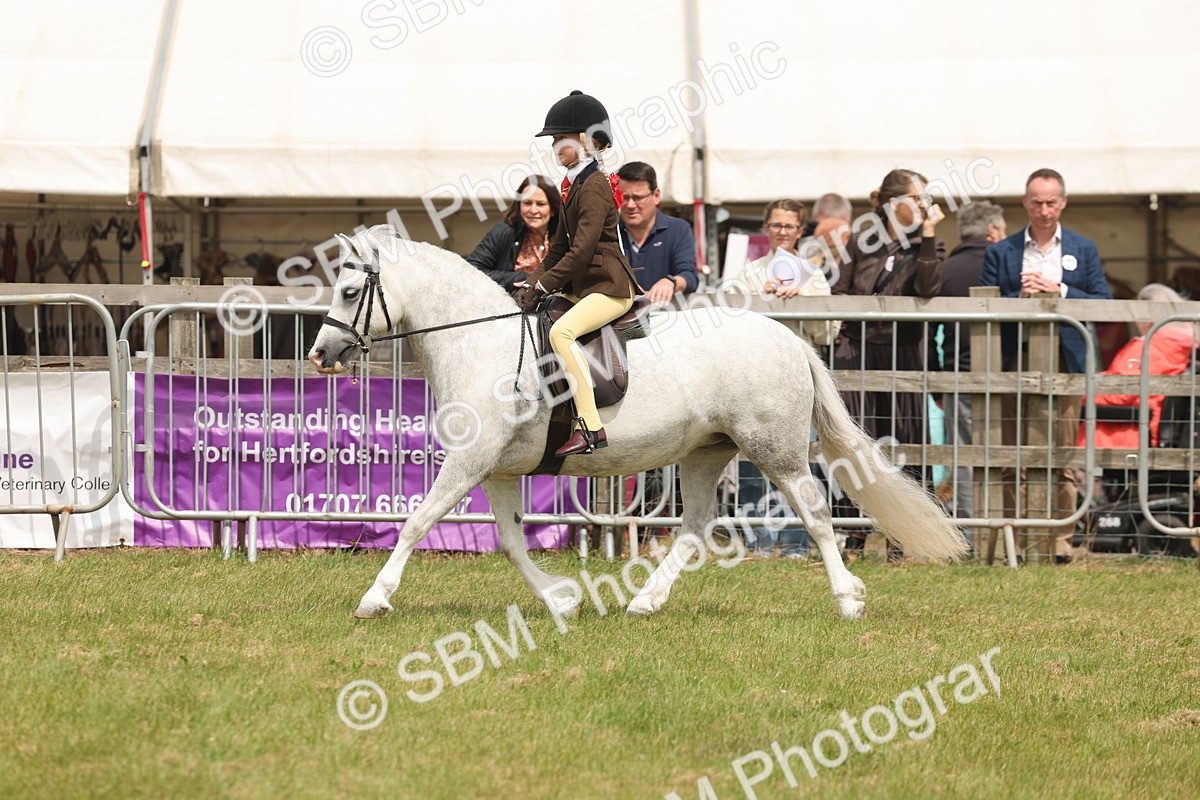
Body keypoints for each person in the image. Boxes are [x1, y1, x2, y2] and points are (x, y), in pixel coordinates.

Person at [980, 168, 1112, 562]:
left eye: (1051, 201)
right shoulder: (999, 252)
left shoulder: (1083, 247)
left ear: (1063, 202)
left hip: (1067, 360)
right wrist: (1018, 296)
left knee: (1064, 453)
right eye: (1036, 201)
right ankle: (1013, 543)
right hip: (1013, 358)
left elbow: (1105, 303)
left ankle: (1059, 543)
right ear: (1024, 203)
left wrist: (1061, 291)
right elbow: (984, 303)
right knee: (1011, 453)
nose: (1043, 209)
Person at [514, 90, 644, 456]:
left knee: (561, 333)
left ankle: (590, 426)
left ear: (586, 141)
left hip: (609, 286)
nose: (554, 146)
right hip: (585, 285)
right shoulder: (575, 185)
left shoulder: (596, 185)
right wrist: (533, 282)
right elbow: (557, 248)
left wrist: (544, 282)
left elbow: (582, 249)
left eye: (560, 139)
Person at [829, 168, 946, 555]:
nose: (925, 205)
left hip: (904, 351)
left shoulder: (928, 244)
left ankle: (907, 536)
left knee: (908, 438)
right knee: (855, 440)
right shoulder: (861, 240)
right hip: (857, 348)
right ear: (896, 203)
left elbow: (928, 288)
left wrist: (927, 235)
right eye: (919, 199)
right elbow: (840, 290)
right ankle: (853, 531)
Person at [933, 200, 1007, 526]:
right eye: (1003, 230)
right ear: (992, 231)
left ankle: (969, 533)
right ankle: (1004, 529)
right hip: (1004, 376)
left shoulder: (945, 270)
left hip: (956, 376)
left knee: (962, 457)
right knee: (1008, 454)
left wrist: (936, 377)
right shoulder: (1007, 265)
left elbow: (928, 331)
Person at [1079, 283, 1197, 450]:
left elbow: (1123, 391)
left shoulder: (1146, 348)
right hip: (1148, 425)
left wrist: (1080, 392)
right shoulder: (1180, 348)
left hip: (1121, 434)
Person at [615, 162, 698, 305]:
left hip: (666, 316)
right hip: (619, 321)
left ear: (656, 195)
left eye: (637, 197)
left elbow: (689, 276)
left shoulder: (679, 229)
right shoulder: (609, 232)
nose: (630, 205)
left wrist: (670, 282)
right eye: (624, 197)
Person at [465, 175, 562, 292]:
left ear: (552, 209)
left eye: (540, 204)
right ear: (519, 205)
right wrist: (523, 278)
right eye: (527, 203)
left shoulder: (563, 235)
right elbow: (471, 270)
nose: (533, 210)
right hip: (509, 305)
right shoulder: (504, 231)